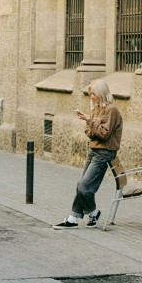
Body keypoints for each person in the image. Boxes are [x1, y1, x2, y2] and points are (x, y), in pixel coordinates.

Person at [54, 78, 123, 229]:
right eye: (90, 94)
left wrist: (89, 120)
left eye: (94, 94)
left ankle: (89, 213)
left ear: (102, 93)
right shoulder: (97, 108)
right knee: (82, 185)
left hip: (104, 153)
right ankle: (81, 216)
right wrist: (89, 123)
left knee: (84, 186)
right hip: (94, 150)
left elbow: (104, 134)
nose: (91, 97)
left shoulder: (111, 110)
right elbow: (90, 132)